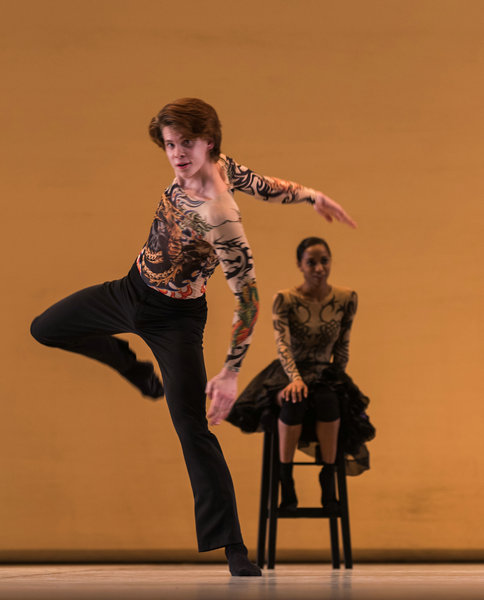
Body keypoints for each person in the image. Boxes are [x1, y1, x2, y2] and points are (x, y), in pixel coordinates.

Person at [30, 98, 356, 577]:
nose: (178, 154)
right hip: (130, 290)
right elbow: (265, 185)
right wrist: (311, 196)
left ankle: (233, 547)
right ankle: (129, 364)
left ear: (209, 142)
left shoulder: (220, 214)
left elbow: (248, 298)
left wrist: (230, 373)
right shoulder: (223, 166)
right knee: (45, 328)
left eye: (187, 143)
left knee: (191, 428)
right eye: (169, 144)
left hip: (175, 320)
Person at [227, 237, 374, 510]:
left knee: (330, 401)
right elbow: (282, 344)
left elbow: (342, 346)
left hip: (324, 372)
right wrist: (295, 379)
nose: (319, 268)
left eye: (324, 261)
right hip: (287, 373)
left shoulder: (346, 298)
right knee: (294, 400)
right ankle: (285, 477)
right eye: (311, 262)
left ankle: (328, 475)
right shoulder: (285, 299)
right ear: (300, 265)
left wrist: (337, 379)